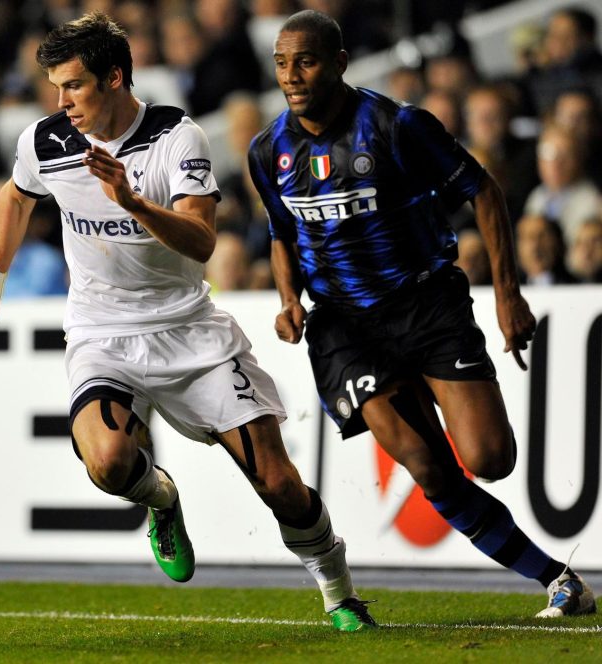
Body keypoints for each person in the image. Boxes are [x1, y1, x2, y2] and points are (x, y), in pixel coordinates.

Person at [0, 12, 375, 632]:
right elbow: (16, 196)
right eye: (54, 87)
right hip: (103, 332)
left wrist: (133, 202)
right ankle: (162, 497)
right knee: (108, 463)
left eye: (73, 85)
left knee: (280, 484)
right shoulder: (47, 141)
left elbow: (203, 244)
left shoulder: (177, 138)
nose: (60, 101)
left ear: (115, 77)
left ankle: (338, 594)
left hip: (188, 328)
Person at [248, 9, 597, 619]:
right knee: (427, 467)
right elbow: (282, 231)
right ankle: (558, 580)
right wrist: (287, 299)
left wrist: (508, 293)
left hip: (425, 303)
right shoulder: (266, 150)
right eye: (281, 63)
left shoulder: (396, 126)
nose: (291, 76)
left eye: (304, 61)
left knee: (490, 459)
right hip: (344, 327)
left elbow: (483, 189)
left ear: (338, 63)